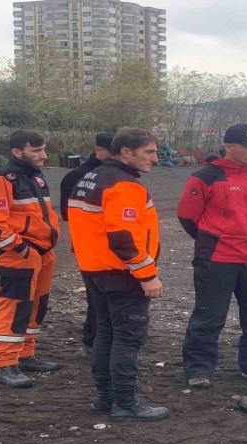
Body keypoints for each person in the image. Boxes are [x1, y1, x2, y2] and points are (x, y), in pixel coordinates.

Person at [67, 127, 169, 421]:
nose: (155, 158)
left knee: (107, 333)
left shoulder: (90, 178)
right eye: (149, 152)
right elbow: (123, 238)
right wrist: (147, 275)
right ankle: (125, 402)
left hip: (94, 269)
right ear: (126, 152)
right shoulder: (124, 186)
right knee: (127, 338)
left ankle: (106, 397)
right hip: (121, 274)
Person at [178, 124, 247, 389]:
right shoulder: (205, 176)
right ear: (228, 146)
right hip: (217, 257)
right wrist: (212, 239)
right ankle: (199, 369)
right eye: (246, 146)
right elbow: (187, 217)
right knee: (209, 314)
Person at [0, 129, 61, 388]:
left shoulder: (34, 177)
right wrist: (20, 248)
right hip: (20, 255)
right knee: (15, 306)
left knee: (36, 306)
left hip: (41, 252)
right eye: (36, 151)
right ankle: (5, 363)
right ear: (17, 152)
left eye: (43, 149)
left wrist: (40, 249)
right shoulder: (2, 179)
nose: (43, 155)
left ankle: (25, 355)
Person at [59, 132, 114, 358]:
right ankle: (92, 340)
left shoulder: (114, 175)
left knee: (104, 296)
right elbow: (67, 214)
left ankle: (100, 339)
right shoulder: (79, 177)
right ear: (99, 150)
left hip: (103, 245)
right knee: (97, 296)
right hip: (91, 245)